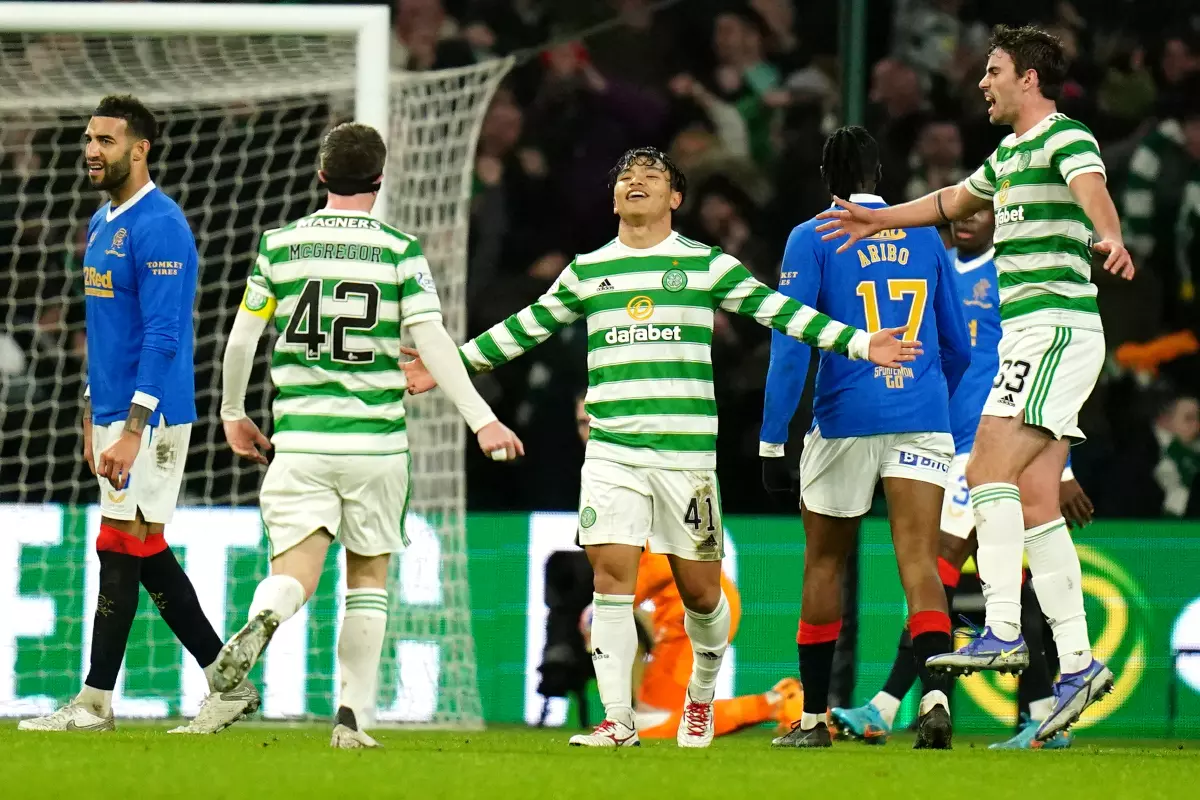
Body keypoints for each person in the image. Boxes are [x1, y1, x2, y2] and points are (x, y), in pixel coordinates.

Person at [402, 146, 919, 748]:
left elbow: (782, 313)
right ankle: (617, 720)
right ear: (615, 198)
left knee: (702, 595)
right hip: (612, 451)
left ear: (675, 198)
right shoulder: (589, 271)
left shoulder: (704, 266)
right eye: (625, 175)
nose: (635, 181)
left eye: (651, 176)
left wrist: (860, 344)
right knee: (610, 579)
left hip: (686, 459)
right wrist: (449, 365)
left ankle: (702, 690)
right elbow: (525, 326)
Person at [816, 25, 1135, 741]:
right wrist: (876, 222)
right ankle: (1077, 665)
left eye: (993, 71)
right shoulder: (1011, 156)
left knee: (988, 470)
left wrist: (1109, 234)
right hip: (1032, 337)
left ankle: (999, 629)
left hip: (1054, 327)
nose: (982, 82)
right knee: (1032, 498)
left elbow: (1091, 188)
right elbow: (950, 200)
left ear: (1028, 78)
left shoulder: (1063, 137)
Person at [214, 122, 522, 749]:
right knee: (368, 580)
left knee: (296, 571)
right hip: (376, 445)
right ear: (379, 182)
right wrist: (481, 417)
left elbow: (244, 337)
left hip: (300, 440)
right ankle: (352, 718)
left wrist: (232, 411)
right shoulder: (398, 249)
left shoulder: (280, 245)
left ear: (321, 176)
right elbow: (431, 339)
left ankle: (266, 615)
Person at [19, 95, 259, 734]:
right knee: (142, 547)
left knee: (119, 546)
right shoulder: (104, 221)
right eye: (89, 138)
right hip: (115, 411)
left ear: (140, 148)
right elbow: (109, 333)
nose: (92, 150)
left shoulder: (162, 226)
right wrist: (91, 412)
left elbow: (162, 336)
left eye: (105, 140)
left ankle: (94, 701)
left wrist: (130, 428)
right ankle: (226, 680)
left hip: (151, 417)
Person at [829, 209, 1089, 749]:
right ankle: (1040, 714)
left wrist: (1061, 465)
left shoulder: (1013, 274)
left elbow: (1050, 367)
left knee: (938, 566)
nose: (968, 222)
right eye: (961, 213)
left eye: (980, 212)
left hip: (995, 446)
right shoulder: (938, 267)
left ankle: (889, 705)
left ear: (1001, 220)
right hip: (945, 442)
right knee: (997, 588)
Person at [759, 126, 970, 749]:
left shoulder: (812, 237)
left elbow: (791, 344)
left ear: (826, 177)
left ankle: (814, 719)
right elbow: (958, 344)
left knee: (825, 562)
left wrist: (774, 439)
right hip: (923, 414)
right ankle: (934, 699)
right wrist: (932, 403)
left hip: (846, 417)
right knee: (919, 563)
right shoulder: (925, 236)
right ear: (879, 175)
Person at [572, 395, 804, 739]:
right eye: (581, 423)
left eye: (594, 419)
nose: (589, 430)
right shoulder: (601, 472)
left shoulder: (641, 463)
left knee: (654, 725)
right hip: (669, 613)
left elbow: (662, 558)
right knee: (649, 717)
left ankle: (777, 702)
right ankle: (777, 701)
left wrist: (612, 605)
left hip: (694, 603)